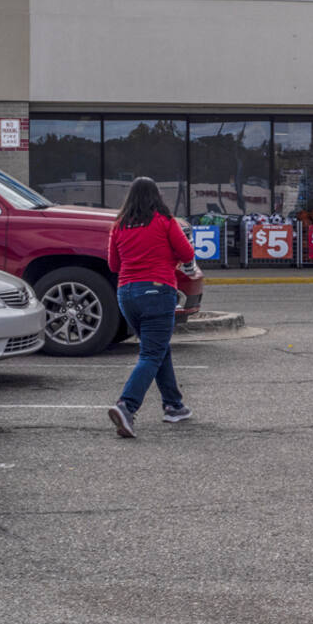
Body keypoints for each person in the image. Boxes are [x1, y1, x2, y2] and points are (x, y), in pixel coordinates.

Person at [106, 176, 197, 438]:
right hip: (157, 291)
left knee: (157, 349)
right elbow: (187, 253)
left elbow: (113, 265)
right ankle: (127, 405)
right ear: (157, 196)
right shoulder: (164, 221)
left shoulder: (119, 226)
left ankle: (174, 405)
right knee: (150, 354)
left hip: (126, 294)